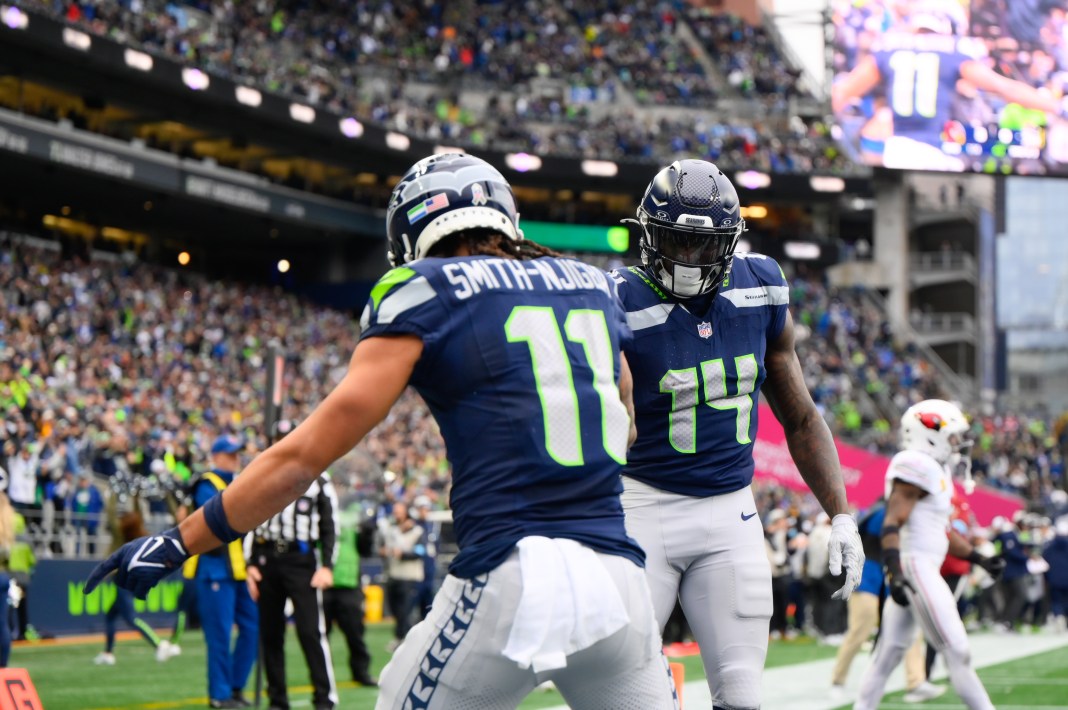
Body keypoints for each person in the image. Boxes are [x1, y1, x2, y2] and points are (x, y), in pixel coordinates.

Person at [85, 152, 679, 710]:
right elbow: (626, 426)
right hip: (619, 579)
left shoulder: (424, 290)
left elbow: (302, 458)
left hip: (512, 573)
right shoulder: (596, 286)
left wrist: (180, 541)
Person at [612, 158, 864, 709]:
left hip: (730, 514)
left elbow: (799, 417)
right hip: (640, 506)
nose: (688, 257)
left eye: (703, 245)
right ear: (650, 236)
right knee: (630, 693)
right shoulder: (619, 302)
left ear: (730, 242)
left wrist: (841, 513)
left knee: (743, 696)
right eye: (675, 241)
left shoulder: (761, 289)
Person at [855, 400, 1006, 710]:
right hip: (915, 567)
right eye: (952, 436)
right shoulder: (916, 465)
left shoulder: (934, 471)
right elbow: (892, 521)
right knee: (957, 650)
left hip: (919, 566)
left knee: (888, 654)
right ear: (930, 433)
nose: (957, 444)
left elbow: (942, 531)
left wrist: (977, 557)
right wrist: (896, 572)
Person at [831, 6, 1068, 170]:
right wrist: (1057, 106)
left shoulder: (889, 49)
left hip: (899, 150)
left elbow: (842, 92)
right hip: (938, 152)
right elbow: (1005, 88)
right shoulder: (952, 52)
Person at [246, 420, 339, 710]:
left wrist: (327, 566)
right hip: (267, 559)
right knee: (270, 633)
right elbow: (248, 517)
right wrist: (250, 563)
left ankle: (325, 699)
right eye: (279, 438)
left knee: (311, 632)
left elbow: (330, 525)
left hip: (302, 562)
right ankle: (277, 700)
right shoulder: (260, 474)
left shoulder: (319, 479)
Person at [181, 434, 259, 709]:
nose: (235, 459)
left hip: (237, 569)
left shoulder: (236, 482)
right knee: (219, 635)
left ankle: (235, 686)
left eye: (237, 454)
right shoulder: (207, 483)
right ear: (215, 457)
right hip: (213, 569)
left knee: (252, 628)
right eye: (229, 454)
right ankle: (219, 694)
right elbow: (219, 518)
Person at [93, 508, 176, 666]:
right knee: (111, 616)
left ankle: (159, 644)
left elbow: (111, 518)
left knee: (132, 618)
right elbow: (138, 517)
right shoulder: (139, 537)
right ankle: (108, 653)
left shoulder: (121, 538)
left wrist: (112, 494)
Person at [323, 498, 376, 687]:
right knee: (321, 635)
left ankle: (361, 672)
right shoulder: (323, 512)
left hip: (349, 583)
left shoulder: (355, 516)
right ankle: (322, 676)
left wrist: (368, 532)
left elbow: (365, 550)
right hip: (325, 583)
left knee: (355, 634)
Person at [378, 501, 424, 652]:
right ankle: (404, 638)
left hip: (409, 577)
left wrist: (403, 554)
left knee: (405, 611)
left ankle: (404, 639)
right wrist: (384, 552)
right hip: (393, 575)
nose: (396, 514)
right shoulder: (391, 530)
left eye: (399, 511)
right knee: (395, 611)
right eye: (395, 511)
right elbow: (384, 547)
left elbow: (421, 551)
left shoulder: (416, 530)